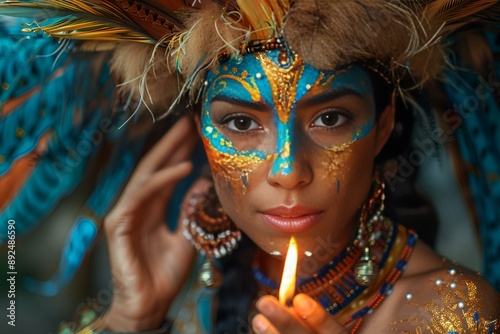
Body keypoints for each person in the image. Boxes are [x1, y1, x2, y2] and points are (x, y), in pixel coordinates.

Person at [0, 1, 499, 333]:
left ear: (384, 125)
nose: (287, 170)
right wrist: (131, 316)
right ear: (201, 133)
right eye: (241, 123)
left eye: (329, 117)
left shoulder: (451, 313)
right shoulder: (197, 279)